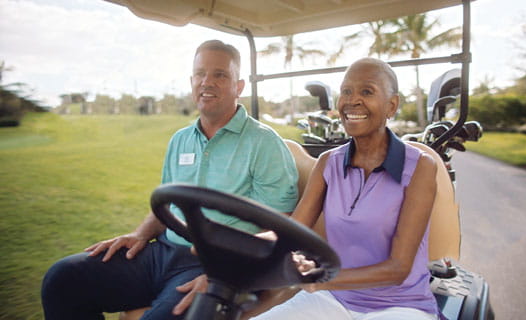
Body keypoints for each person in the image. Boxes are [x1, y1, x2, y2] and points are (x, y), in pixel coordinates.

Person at [41, 40, 299, 320]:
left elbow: (279, 229)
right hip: (161, 253)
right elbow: (168, 205)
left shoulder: (264, 143)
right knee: (62, 280)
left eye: (220, 75)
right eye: (200, 74)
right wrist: (140, 234)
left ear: (238, 86)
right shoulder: (181, 140)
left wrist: (226, 274)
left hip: (216, 265)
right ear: (191, 82)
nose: (206, 82)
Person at [251, 58, 439, 320]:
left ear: (392, 105)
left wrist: (321, 278)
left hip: (400, 305)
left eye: (367, 91)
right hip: (335, 298)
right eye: (346, 91)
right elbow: (293, 232)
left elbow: (398, 268)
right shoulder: (329, 163)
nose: (352, 100)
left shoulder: (420, 166)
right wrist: (230, 241)